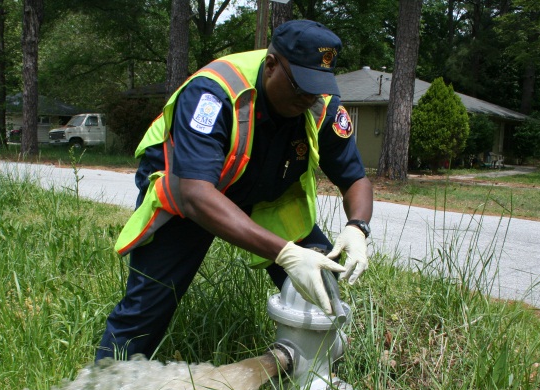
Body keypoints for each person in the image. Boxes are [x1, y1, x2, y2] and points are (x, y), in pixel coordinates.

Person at [96, 19, 373, 362]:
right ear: (271, 65)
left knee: (321, 283)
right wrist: (286, 253)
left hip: (265, 195)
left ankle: (316, 377)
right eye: (299, 86)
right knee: (147, 307)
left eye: (316, 88)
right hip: (187, 196)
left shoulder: (321, 103)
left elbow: (355, 177)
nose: (307, 98)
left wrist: (357, 227)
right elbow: (196, 194)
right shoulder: (213, 93)